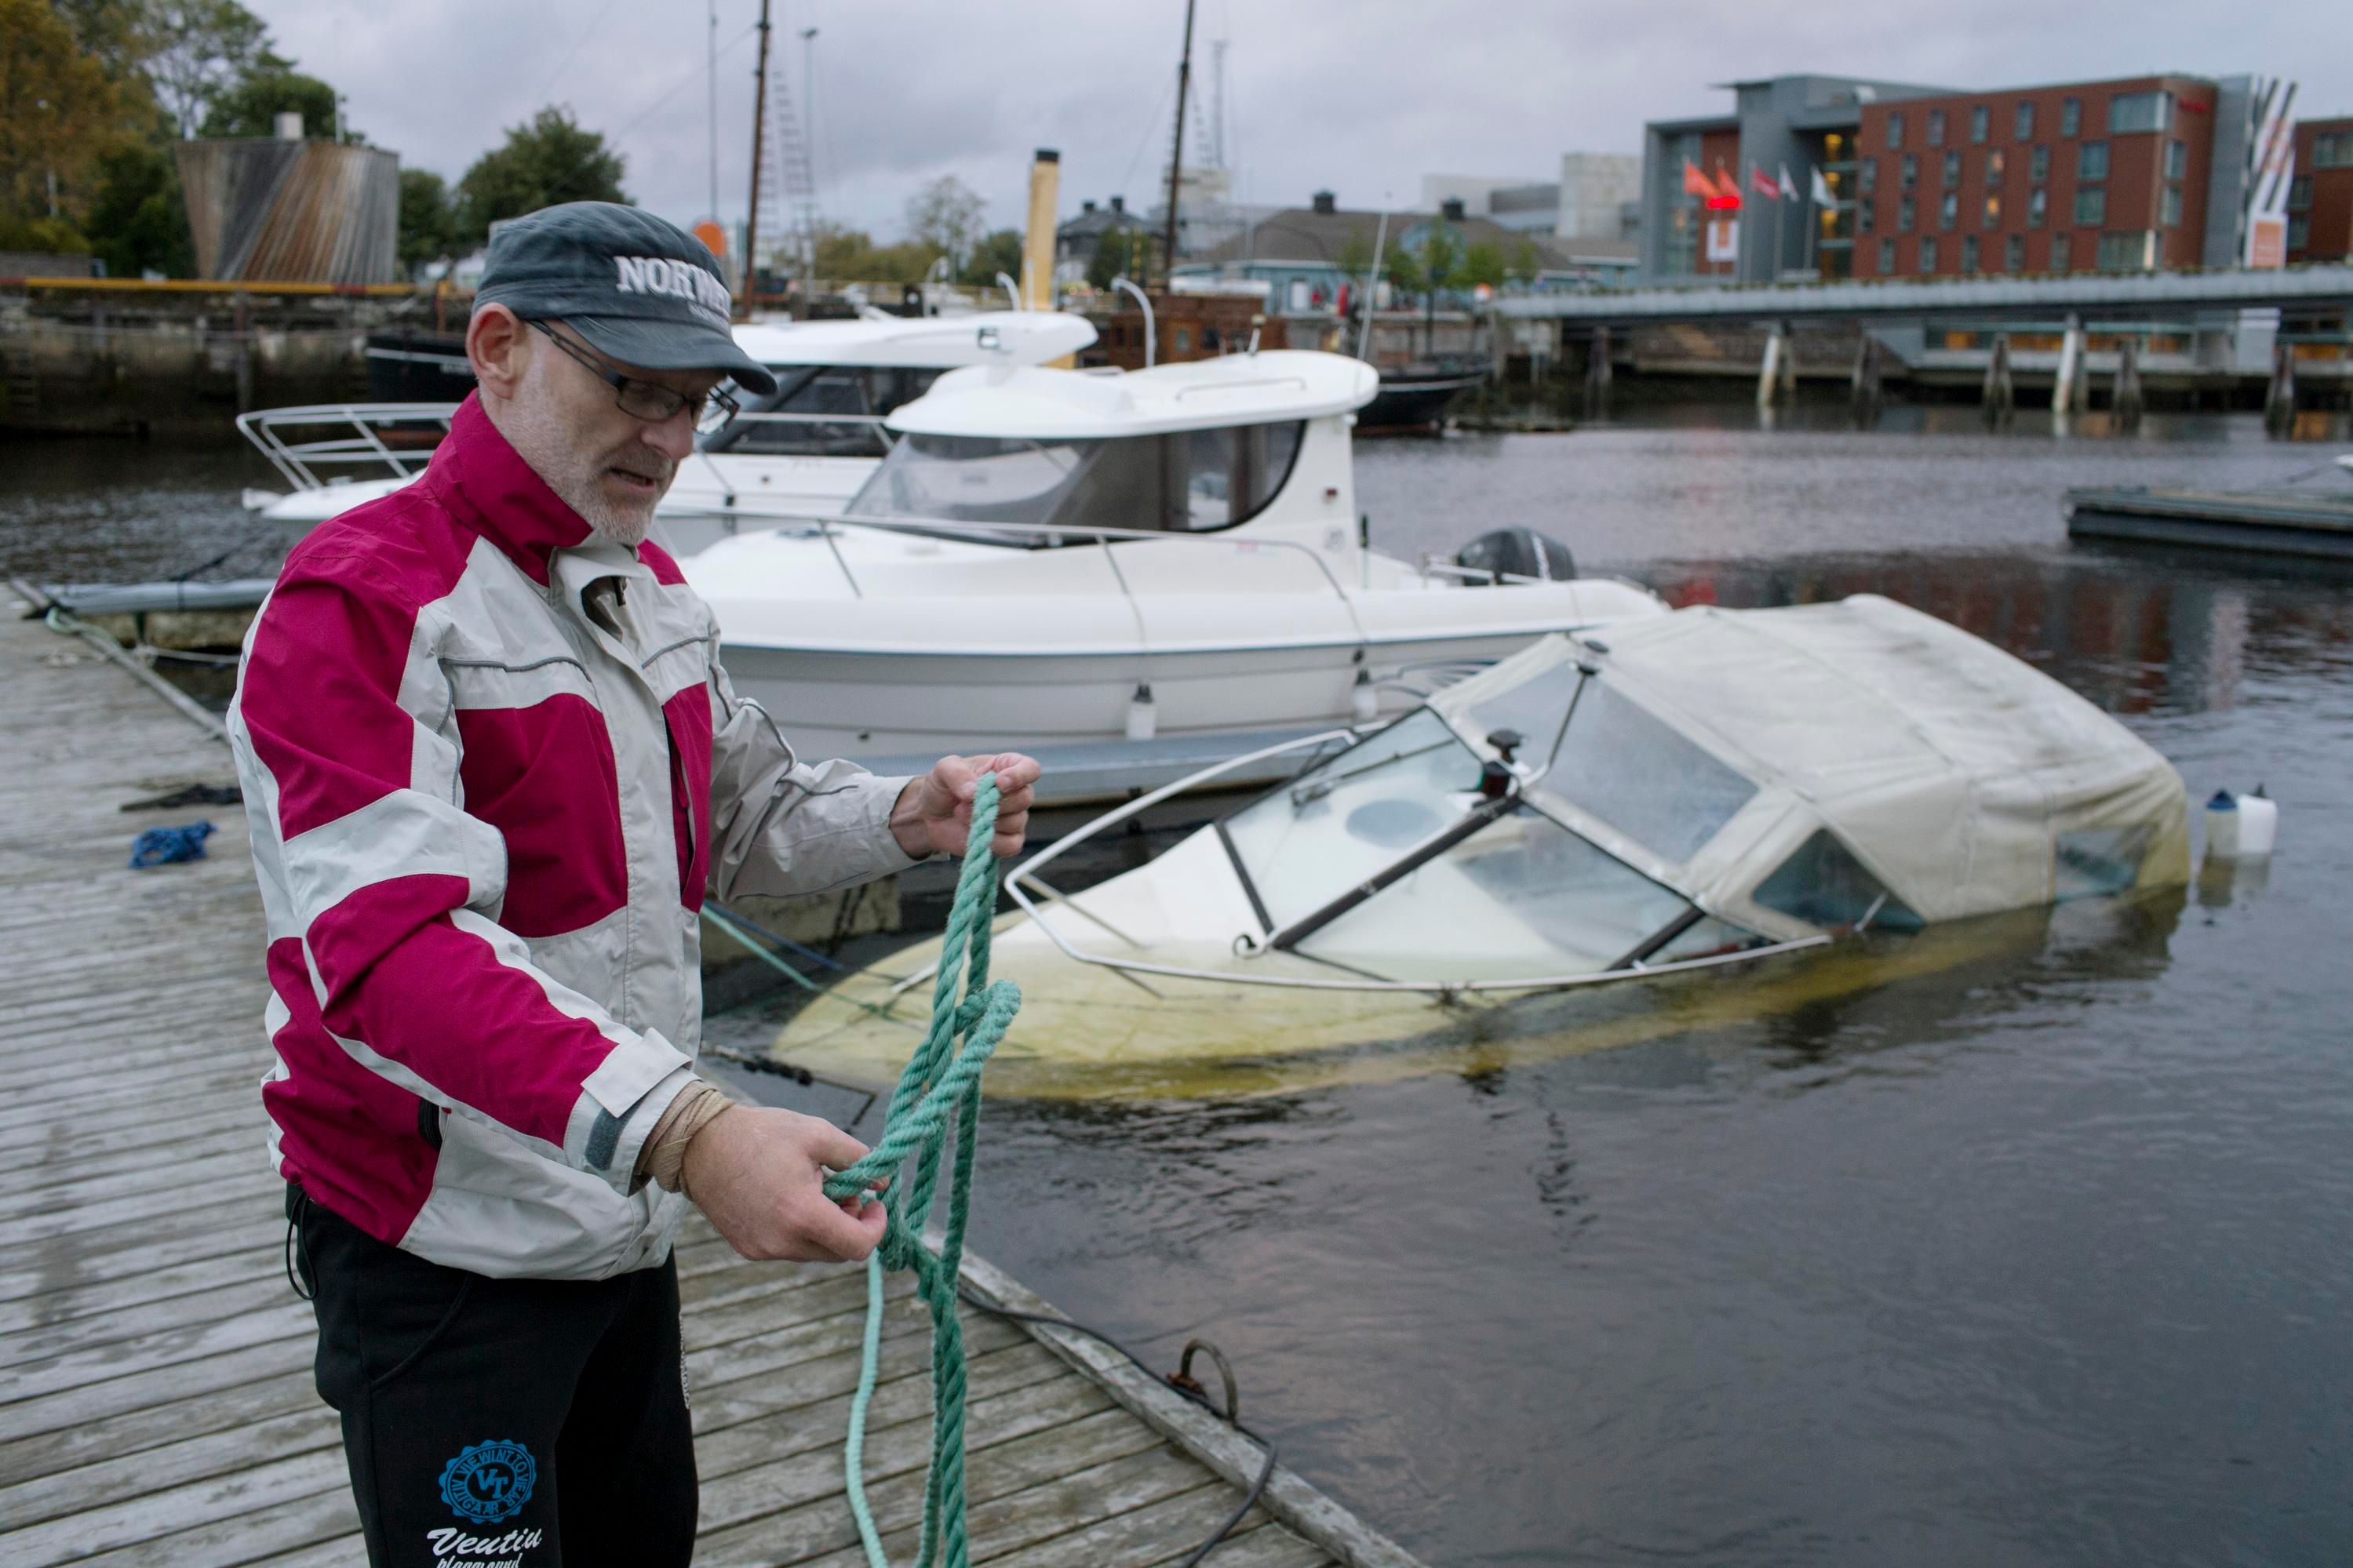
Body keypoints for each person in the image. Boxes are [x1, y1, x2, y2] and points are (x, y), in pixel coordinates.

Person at [227, 202, 1040, 1568]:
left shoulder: (651, 588)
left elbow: (743, 816)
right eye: (631, 386)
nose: (668, 437)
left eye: (694, 399)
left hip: (618, 1225)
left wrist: (910, 815)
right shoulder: (360, 605)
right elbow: (391, 959)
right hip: (442, 1253)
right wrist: (696, 1135)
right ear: (497, 348)